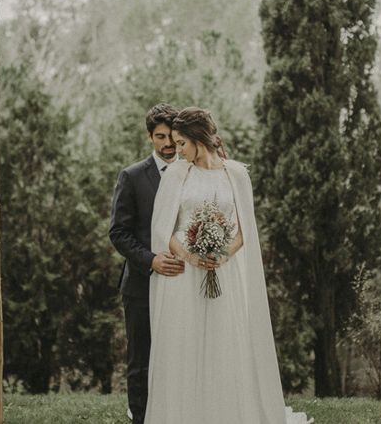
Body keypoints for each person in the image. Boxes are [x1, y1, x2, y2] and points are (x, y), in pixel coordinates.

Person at [145, 107, 313, 424]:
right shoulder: (177, 174)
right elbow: (162, 230)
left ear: (198, 138)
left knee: (225, 346)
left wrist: (223, 255)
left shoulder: (235, 174)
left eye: (182, 143)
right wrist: (192, 257)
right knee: (188, 346)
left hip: (225, 271)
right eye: (175, 143)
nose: (177, 150)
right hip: (184, 273)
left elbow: (244, 229)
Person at [109, 103, 187, 424]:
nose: (168, 144)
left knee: (178, 356)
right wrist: (152, 261)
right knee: (141, 359)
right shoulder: (132, 176)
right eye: (160, 137)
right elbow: (118, 232)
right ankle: (140, 418)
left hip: (182, 283)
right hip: (141, 284)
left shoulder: (190, 172)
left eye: (172, 136)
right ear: (149, 137)